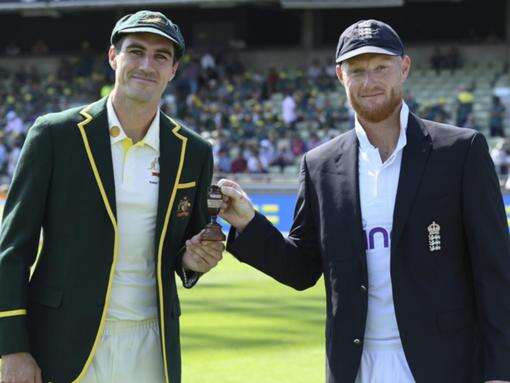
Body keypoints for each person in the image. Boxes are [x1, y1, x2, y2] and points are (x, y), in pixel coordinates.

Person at [219, 19, 510, 383]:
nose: (369, 82)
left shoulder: (460, 150)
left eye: (380, 68)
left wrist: (500, 371)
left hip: (445, 365)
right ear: (341, 76)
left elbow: (496, 269)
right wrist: (248, 222)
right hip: (354, 368)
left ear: (404, 68)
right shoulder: (320, 164)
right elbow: (301, 269)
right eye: (357, 70)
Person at [0, 10, 223, 383]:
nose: (146, 65)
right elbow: (13, 250)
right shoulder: (55, 135)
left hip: (154, 342)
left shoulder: (194, 151)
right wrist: (11, 348)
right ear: (112, 57)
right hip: (65, 340)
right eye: (135, 51)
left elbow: (187, 252)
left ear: (173, 70)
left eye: (161, 56)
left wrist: (197, 259)